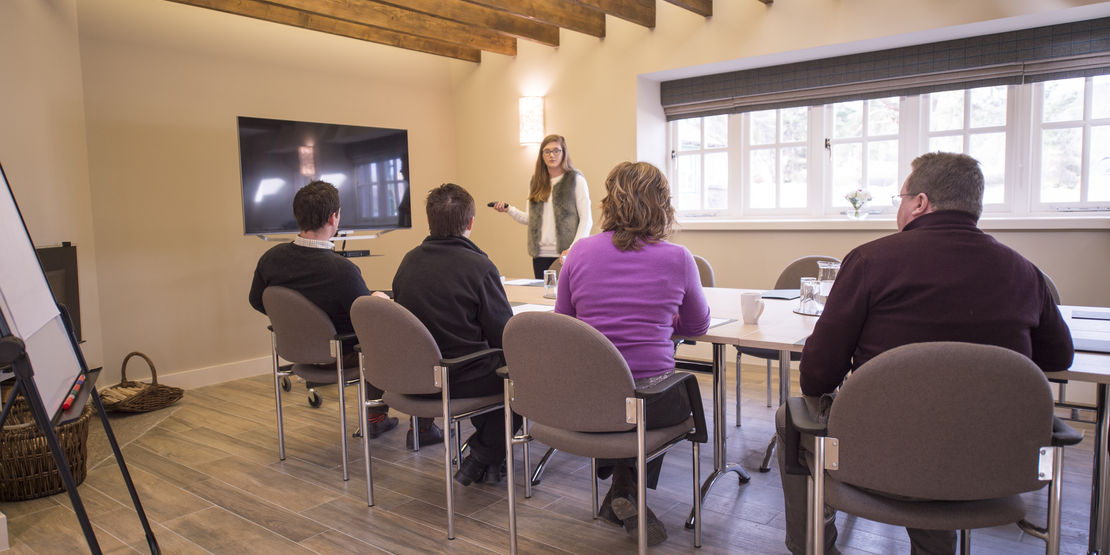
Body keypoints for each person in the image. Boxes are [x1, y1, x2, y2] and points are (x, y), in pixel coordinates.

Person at [777, 152, 1075, 555]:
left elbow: (817, 376)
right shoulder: (1024, 271)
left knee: (789, 417)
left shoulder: (870, 261)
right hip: (993, 463)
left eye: (901, 197)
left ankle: (813, 547)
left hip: (879, 457)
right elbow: (1058, 358)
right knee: (941, 432)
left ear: (919, 202)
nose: (898, 206)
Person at [555, 161, 710, 546]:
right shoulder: (678, 258)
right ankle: (628, 491)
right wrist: (661, 321)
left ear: (610, 202)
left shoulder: (578, 254)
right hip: (652, 400)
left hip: (589, 398)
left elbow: (564, 326)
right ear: (662, 206)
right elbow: (697, 327)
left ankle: (622, 489)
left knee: (619, 404)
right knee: (650, 401)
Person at [392, 183, 522, 485]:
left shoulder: (408, 262)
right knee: (523, 376)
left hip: (415, 376)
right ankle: (481, 455)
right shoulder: (479, 266)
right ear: (471, 223)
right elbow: (503, 334)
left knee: (494, 369)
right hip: (460, 378)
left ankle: (489, 461)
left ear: (429, 222)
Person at [248, 180, 399, 439]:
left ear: (298, 216)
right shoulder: (342, 271)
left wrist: (298, 328)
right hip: (341, 354)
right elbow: (366, 320)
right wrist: (377, 299)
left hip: (295, 350)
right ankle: (377, 418)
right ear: (333, 217)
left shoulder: (270, 260)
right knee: (385, 338)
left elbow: (257, 300)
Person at [492, 134, 592, 278]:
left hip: (565, 254)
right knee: (542, 296)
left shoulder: (576, 179)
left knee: (564, 297)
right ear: (542, 155)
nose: (552, 155)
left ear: (564, 153)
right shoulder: (536, 182)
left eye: (556, 150)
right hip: (540, 255)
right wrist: (509, 209)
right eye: (547, 151)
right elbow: (530, 219)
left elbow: (586, 220)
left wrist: (572, 249)